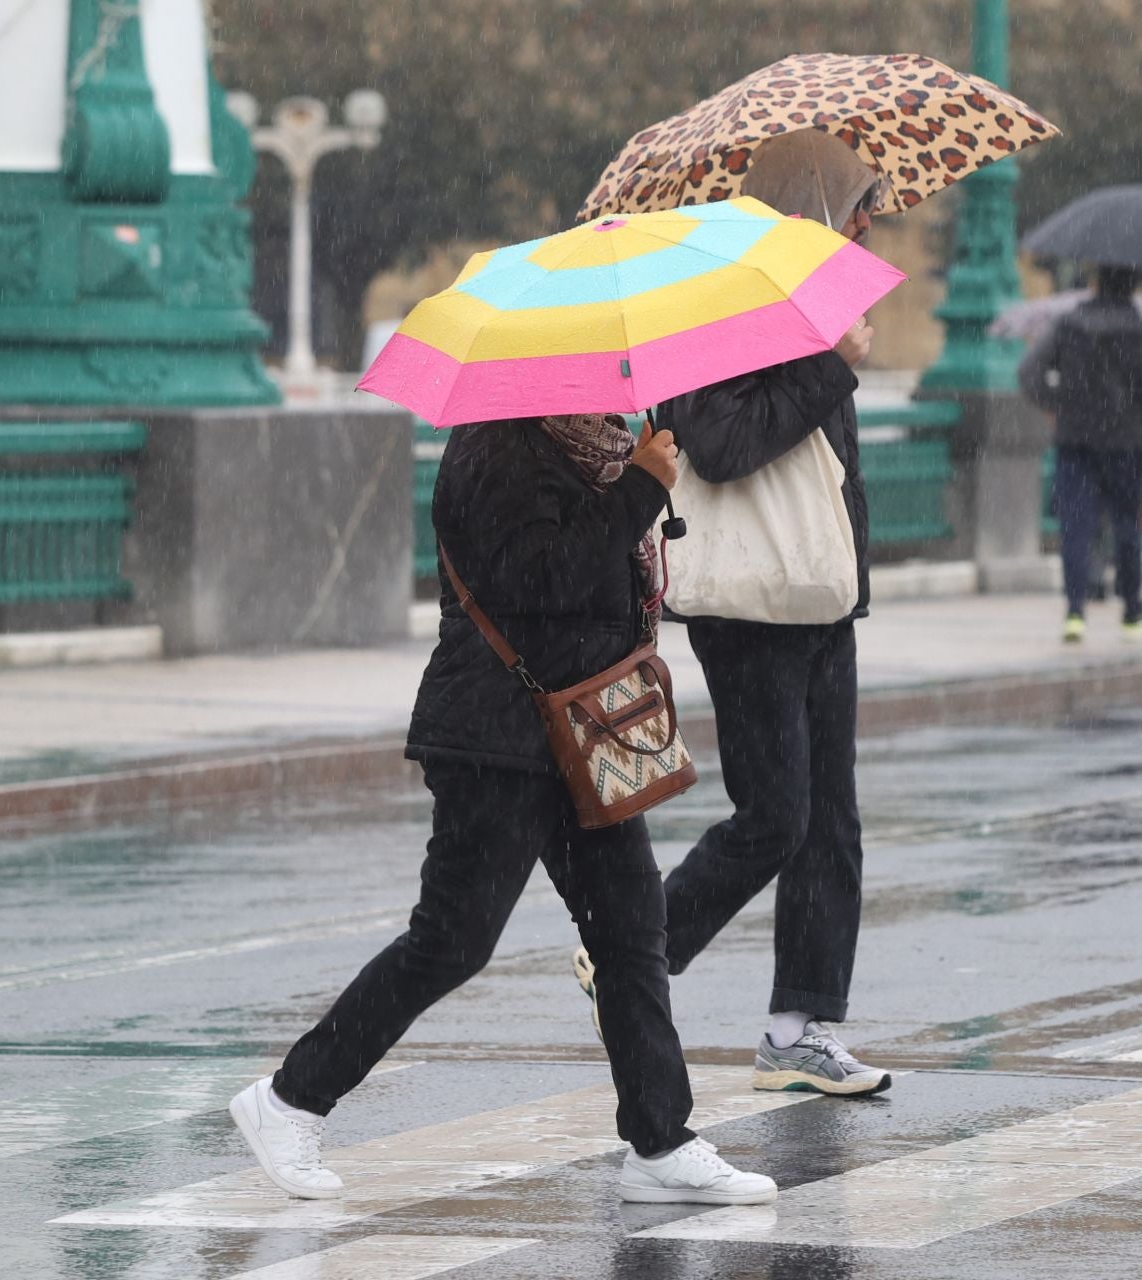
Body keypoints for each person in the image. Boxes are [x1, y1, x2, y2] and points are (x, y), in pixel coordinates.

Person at [230, 413, 776, 1208]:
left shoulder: (591, 442)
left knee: (631, 932)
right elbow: (541, 578)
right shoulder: (497, 444)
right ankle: (288, 1101)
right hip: (497, 732)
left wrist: (637, 485)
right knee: (453, 939)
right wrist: (642, 489)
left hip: (585, 723)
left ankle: (660, 1142)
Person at [574, 130, 893, 1099]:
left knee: (830, 823)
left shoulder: (807, 302)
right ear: (816, 201)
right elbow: (719, 445)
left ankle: (799, 1027)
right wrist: (829, 363)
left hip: (816, 596)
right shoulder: (710, 302)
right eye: (862, 204)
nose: (874, 222)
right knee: (775, 815)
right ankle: (638, 944)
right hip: (750, 604)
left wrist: (824, 350)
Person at [1017, 264, 1142, 644]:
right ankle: (1132, 608)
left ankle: (1075, 610)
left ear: (1095, 283)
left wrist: (1059, 402)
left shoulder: (1069, 324)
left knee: (1076, 527)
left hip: (1075, 440)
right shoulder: (1140, 329)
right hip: (1125, 444)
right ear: (1134, 286)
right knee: (1126, 526)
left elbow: (1029, 373)